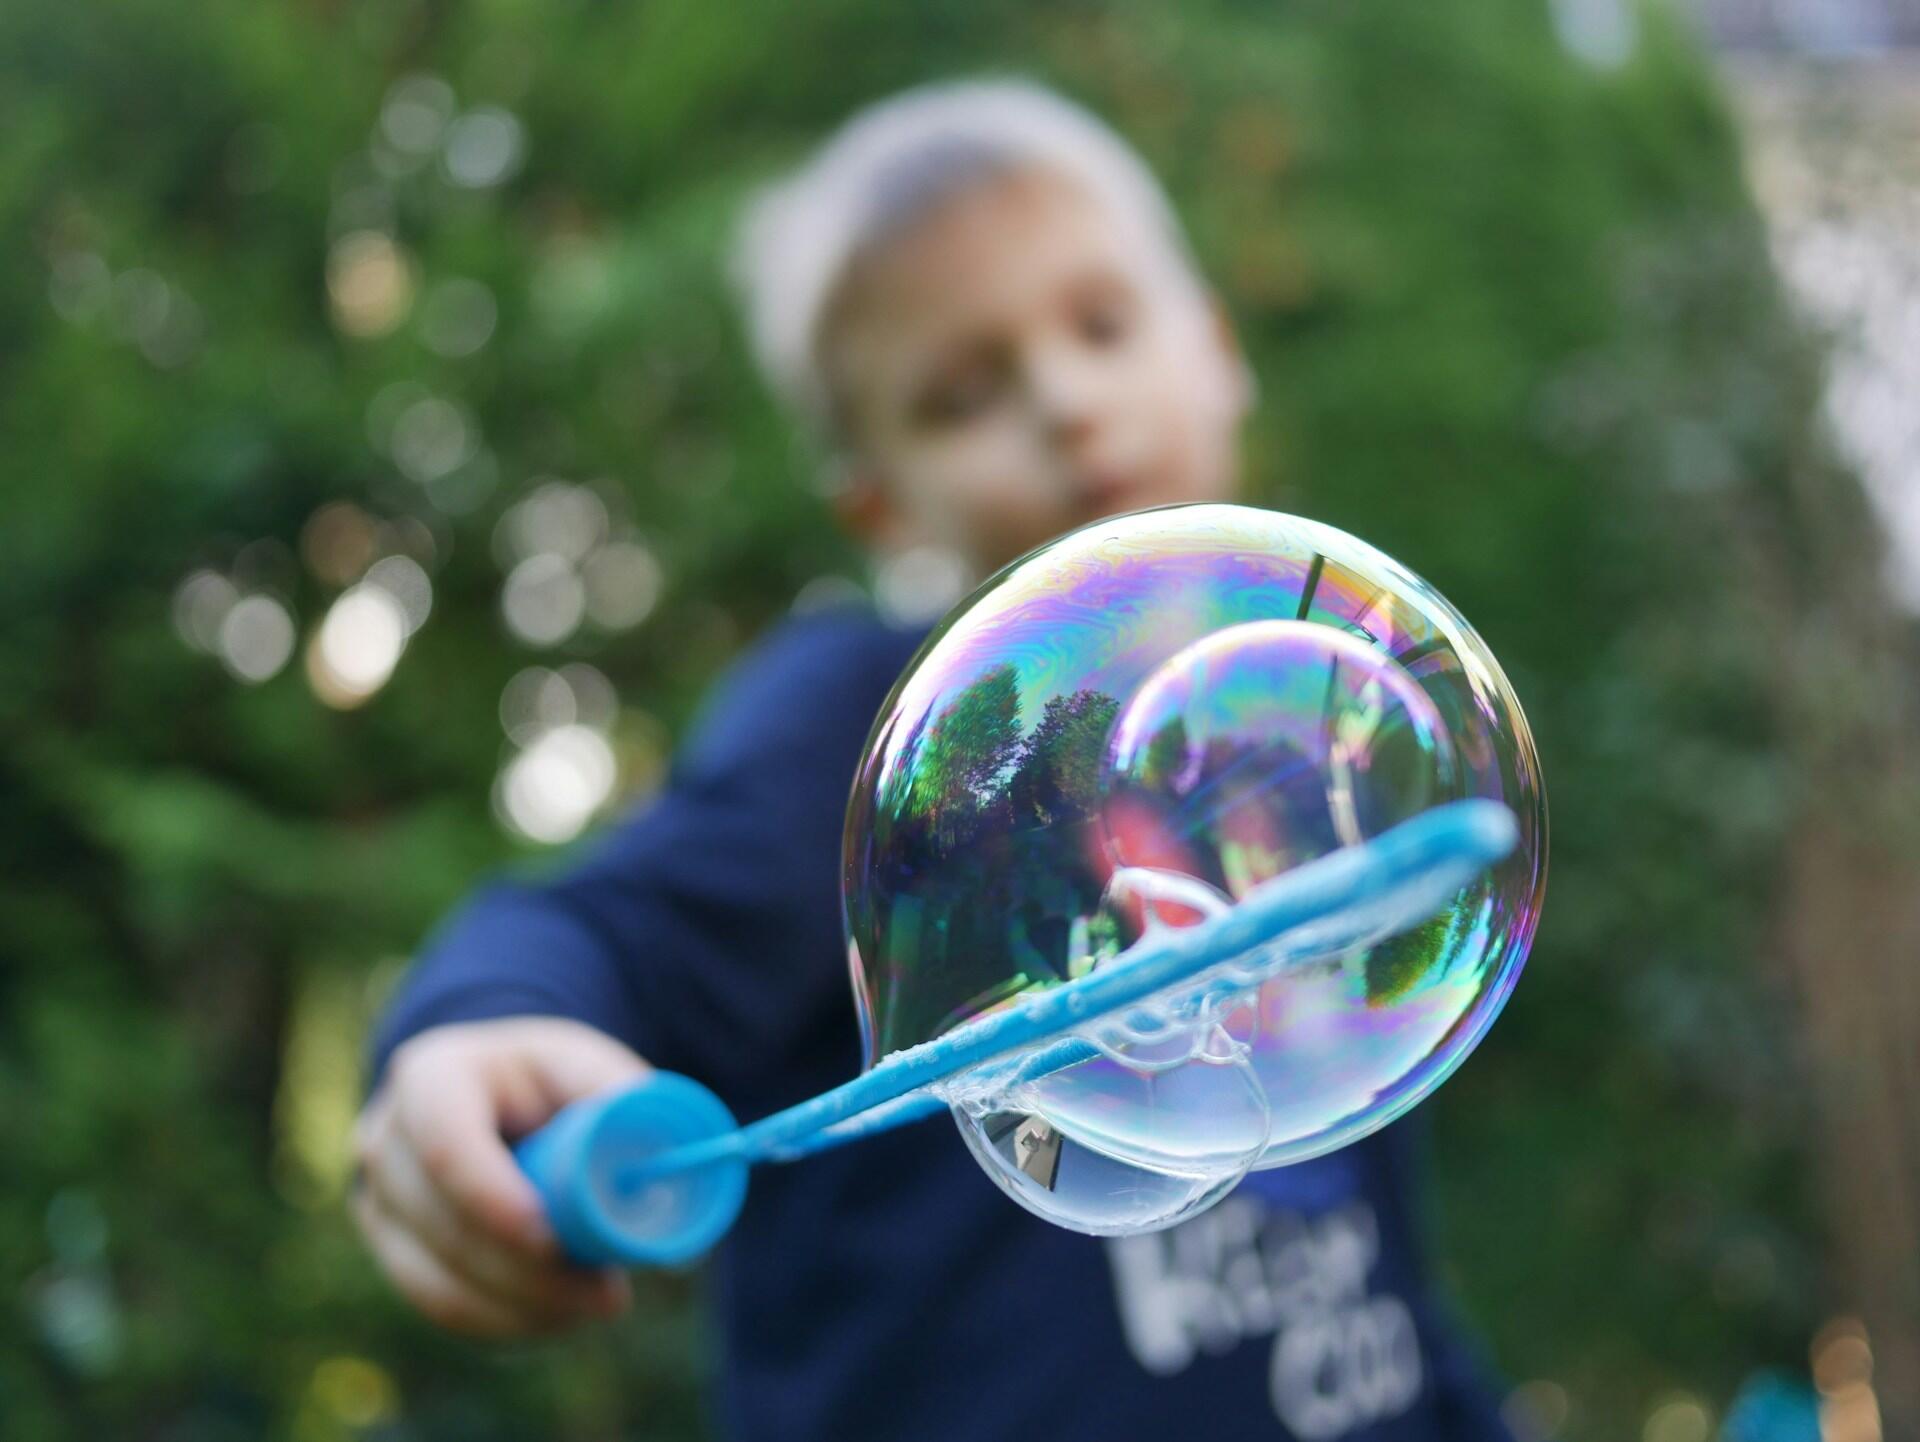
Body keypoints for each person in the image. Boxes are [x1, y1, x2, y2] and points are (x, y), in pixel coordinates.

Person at [354, 80, 1516, 1442]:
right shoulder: (875, 722)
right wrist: (481, 1023)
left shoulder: (1298, 761)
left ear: (1216, 347)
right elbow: (608, 925)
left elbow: (1384, 1272)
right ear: (878, 498)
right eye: (962, 396)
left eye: (1103, 323)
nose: (1065, 398)